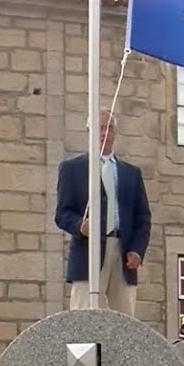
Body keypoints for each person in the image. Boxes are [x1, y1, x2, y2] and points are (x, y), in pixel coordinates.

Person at [54, 110, 152, 317]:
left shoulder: (131, 173)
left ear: (115, 132)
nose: (103, 133)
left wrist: (137, 251)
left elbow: (143, 217)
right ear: (89, 132)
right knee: (84, 317)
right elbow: (62, 214)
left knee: (125, 321)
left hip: (123, 253)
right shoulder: (72, 169)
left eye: (108, 127)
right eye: (99, 128)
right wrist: (80, 225)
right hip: (88, 251)